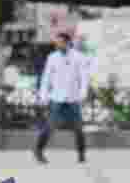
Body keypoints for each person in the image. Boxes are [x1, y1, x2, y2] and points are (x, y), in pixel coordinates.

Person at [33, 32, 89, 164]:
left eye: (60, 42)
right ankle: (38, 150)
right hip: (57, 98)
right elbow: (46, 78)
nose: (57, 44)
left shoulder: (79, 57)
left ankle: (81, 154)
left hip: (73, 98)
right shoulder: (52, 57)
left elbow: (84, 77)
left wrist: (83, 93)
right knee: (49, 126)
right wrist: (43, 96)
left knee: (78, 128)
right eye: (56, 42)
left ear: (67, 42)